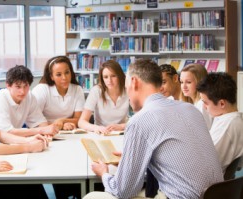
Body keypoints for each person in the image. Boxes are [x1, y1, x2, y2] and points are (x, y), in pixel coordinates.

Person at [83, 59, 223, 199]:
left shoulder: (140, 121)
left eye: (126, 88)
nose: (128, 97)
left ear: (134, 82)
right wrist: (132, 160)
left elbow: (123, 191)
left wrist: (104, 173)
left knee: (92, 196)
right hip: (221, 194)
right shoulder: (191, 109)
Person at [0, 65, 58, 137]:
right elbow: (7, 133)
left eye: (26, 86)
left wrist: (48, 134)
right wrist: (41, 130)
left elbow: (40, 122)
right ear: (8, 85)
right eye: (18, 87)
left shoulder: (29, 96)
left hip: (13, 141)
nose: (22, 91)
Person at [197, 72, 243, 173]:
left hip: (210, 185)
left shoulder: (228, 126)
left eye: (206, 103)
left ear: (222, 103)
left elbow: (205, 164)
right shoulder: (229, 120)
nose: (204, 107)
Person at [32, 56, 85, 130]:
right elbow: (33, 119)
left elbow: (80, 119)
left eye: (67, 72)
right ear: (51, 76)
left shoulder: (77, 89)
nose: (64, 78)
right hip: (43, 131)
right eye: (58, 74)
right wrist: (60, 125)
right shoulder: (41, 90)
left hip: (68, 132)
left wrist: (62, 121)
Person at [78, 60, 129, 134]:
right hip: (101, 134)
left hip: (121, 133)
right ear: (102, 78)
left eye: (113, 76)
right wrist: (96, 128)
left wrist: (122, 126)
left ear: (119, 76)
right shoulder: (96, 91)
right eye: (105, 77)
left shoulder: (127, 90)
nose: (109, 81)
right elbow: (81, 122)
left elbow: (140, 119)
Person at [179, 63, 212, 129]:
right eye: (182, 82)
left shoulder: (202, 105)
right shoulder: (193, 104)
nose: (184, 86)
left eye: (188, 82)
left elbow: (205, 131)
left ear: (200, 82)